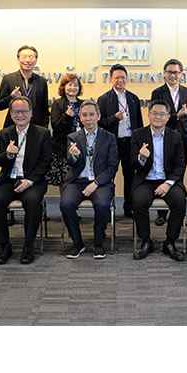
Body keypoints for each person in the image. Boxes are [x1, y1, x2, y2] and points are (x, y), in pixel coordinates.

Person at [0, 96, 52, 265]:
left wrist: (29, 181)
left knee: (33, 202)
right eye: (16, 111)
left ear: (31, 112)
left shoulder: (43, 133)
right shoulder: (4, 134)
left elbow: (46, 162)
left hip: (33, 181)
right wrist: (8, 154)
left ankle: (28, 246)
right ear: (11, 113)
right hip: (9, 180)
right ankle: (4, 246)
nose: (20, 115)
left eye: (24, 111)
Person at [60, 100, 119, 259]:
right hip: (77, 181)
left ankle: (98, 243)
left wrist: (96, 183)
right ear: (80, 117)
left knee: (102, 204)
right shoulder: (73, 137)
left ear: (98, 116)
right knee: (66, 204)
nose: (88, 118)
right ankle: (77, 242)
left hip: (101, 182)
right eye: (84, 115)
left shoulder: (109, 137)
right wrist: (75, 156)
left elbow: (112, 166)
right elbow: (71, 162)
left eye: (92, 114)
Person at [130, 100, 187, 261]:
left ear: (168, 117)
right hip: (145, 180)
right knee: (139, 202)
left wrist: (168, 184)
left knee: (179, 201)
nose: (158, 117)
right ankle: (146, 241)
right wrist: (141, 158)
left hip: (168, 181)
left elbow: (180, 166)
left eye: (162, 114)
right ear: (148, 115)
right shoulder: (138, 134)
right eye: (154, 113)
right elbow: (132, 163)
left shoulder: (176, 137)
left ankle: (170, 242)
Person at [150, 58, 187, 226]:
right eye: (170, 72)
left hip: (182, 139)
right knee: (163, 173)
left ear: (181, 74)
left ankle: (178, 212)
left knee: (178, 175)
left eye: (176, 72)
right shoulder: (157, 93)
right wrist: (177, 116)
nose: (173, 75)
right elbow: (157, 118)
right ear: (164, 73)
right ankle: (162, 213)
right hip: (163, 138)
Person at [97, 64, 143, 217]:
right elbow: (100, 122)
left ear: (126, 79)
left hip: (130, 143)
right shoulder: (104, 99)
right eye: (117, 78)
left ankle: (128, 208)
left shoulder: (133, 98)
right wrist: (114, 118)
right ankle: (106, 207)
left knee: (130, 176)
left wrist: (141, 143)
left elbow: (139, 123)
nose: (120, 80)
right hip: (112, 144)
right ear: (110, 79)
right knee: (109, 176)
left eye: (123, 77)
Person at [0, 45, 50, 128]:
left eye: (31, 57)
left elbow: (44, 109)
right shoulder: (8, 79)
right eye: (24, 57)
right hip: (13, 127)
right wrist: (12, 97)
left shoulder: (41, 81)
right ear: (18, 60)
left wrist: (44, 128)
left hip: (36, 127)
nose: (27, 60)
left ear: (36, 61)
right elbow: (0, 106)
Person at [48, 73, 84, 186]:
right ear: (63, 87)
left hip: (81, 147)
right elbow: (56, 126)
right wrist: (67, 116)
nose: (73, 87)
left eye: (76, 85)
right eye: (70, 85)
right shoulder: (58, 104)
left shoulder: (83, 104)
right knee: (64, 181)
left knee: (80, 179)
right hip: (63, 149)